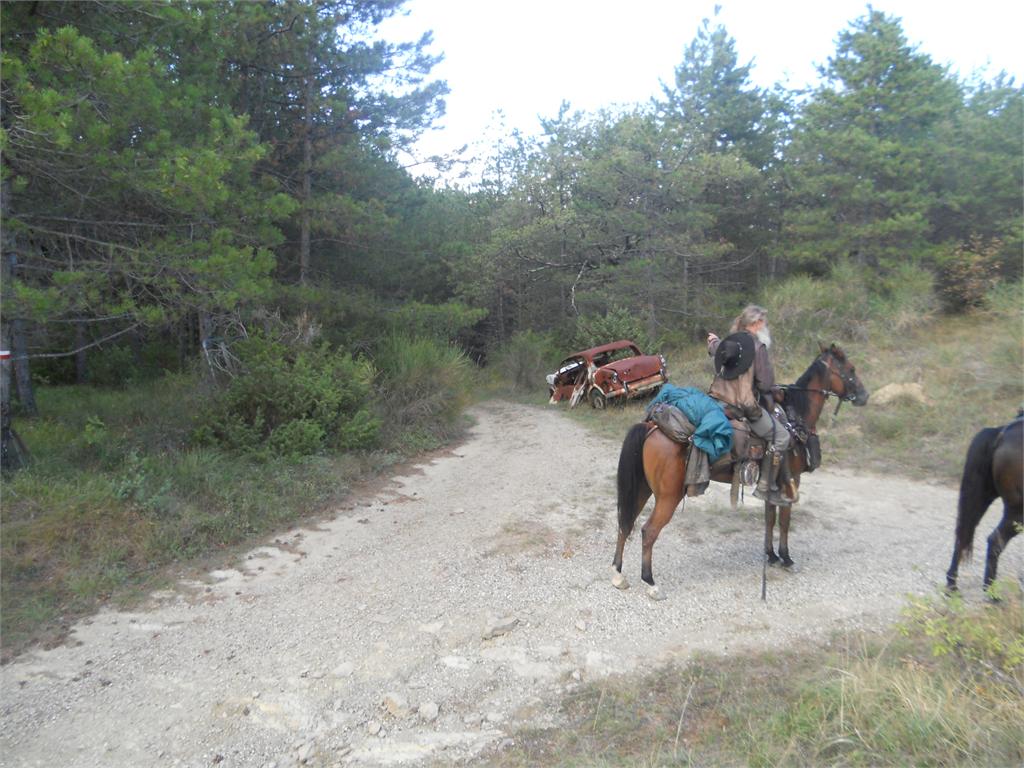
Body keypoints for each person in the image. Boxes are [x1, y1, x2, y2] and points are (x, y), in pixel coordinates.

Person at [706, 305, 795, 505]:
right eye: (764, 322)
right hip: (741, 406)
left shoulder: (730, 341)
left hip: (717, 402)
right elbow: (765, 384)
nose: (765, 326)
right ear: (757, 323)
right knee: (782, 436)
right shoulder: (757, 347)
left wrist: (713, 341)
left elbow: (715, 348)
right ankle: (765, 487)